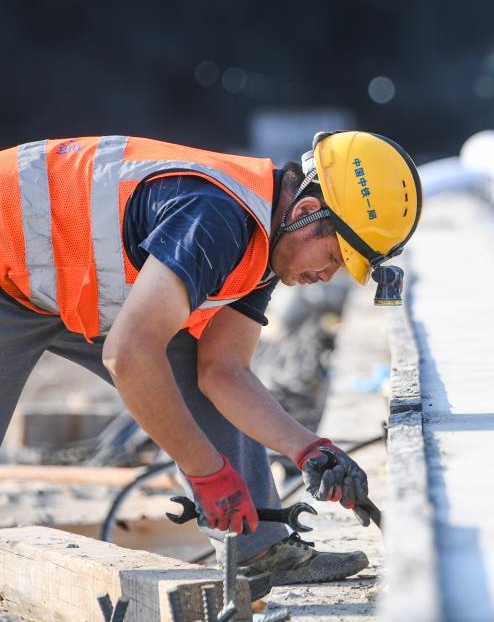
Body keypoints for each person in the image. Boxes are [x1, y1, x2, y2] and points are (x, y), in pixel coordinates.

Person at [0, 131, 422, 584]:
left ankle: (260, 551)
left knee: (178, 356)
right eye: (335, 257)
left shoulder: (269, 243)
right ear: (304, 212)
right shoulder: (216, 219)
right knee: (146, 350)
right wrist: (206, 472)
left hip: (58, 278)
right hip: (11, 264)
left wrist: (308, 448)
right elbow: (129, 354)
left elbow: (223, 370)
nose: (325, 276)